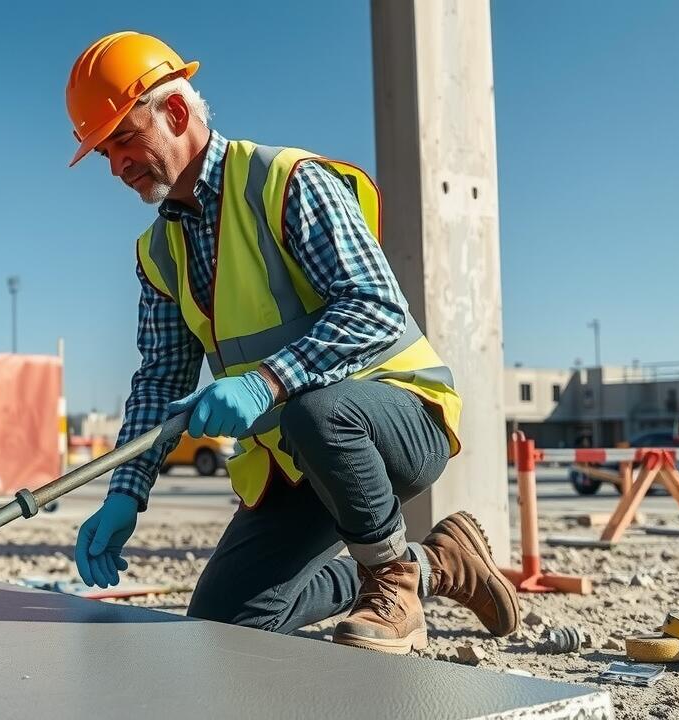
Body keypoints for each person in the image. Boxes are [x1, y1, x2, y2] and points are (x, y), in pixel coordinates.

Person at [64, 31, 520, 654]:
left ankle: (392, 583)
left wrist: (265, 382)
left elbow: (376, 307)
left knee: (319, 411)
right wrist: (125, 493)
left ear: (174, 113)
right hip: (292, 460)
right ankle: (436, 564)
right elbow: (161, 379)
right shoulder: (160, 253)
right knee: (224, 623)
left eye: (124, 139)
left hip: (396, 422)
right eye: (103, 153)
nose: (116, 165)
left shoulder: (285, 182)